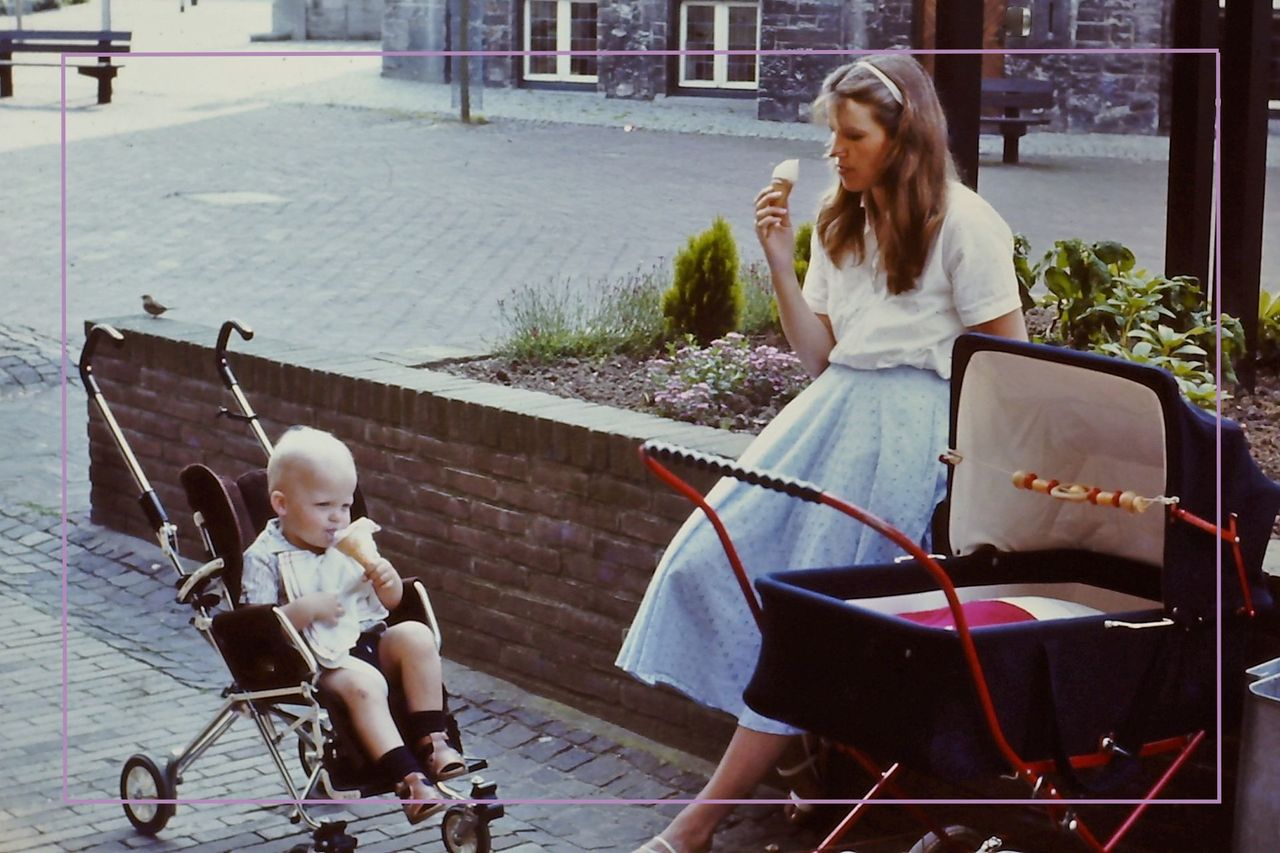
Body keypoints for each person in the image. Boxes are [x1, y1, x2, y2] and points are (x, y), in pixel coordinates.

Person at [617, 54, 1028, 853]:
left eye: (852, 134)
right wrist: (777, 257)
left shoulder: (967, 223)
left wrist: (979, 478)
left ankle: (696, 825)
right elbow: (819, 354)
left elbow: (1012, 367)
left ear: (903, 135)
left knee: (813, 627)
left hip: (913, 438)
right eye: (831, 134)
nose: (835, 151)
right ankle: (808, 759)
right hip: (831, 415)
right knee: (710, 560)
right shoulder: (845, 217)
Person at [241, 425, 465, 824]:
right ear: (281, 504)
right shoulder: (265, 556)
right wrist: (303, 609)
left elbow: (389, 605)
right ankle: (408, 779)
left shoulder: (351, 541)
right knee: (366, 684)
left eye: (345, 506)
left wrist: (388, 583)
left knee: (415, 635)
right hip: (315, 661)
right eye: (324, 505)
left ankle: (435, 742)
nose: (337, 518)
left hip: (366, 639)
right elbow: (256, 628)